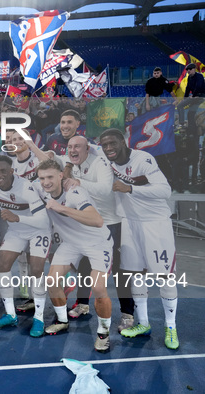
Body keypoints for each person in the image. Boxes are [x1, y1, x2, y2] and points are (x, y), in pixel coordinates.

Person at [99, 128, 180, 350]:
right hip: (129, 223)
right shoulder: (107, 160)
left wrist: (130, 189)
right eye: (104, 145)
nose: (108, 149)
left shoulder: (143, 159)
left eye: (112, 144)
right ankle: (143, 323)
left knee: (165, 277)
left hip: (155, 224)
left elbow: (165, 191)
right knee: (135, 273)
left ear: (123, 142)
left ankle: (170, 327)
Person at [35, 159, 113, 352]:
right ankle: (62, 320)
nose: (46, 182)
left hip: (97, 242)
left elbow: (97, 220)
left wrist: (61, 208)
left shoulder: (75, 192)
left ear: (61, 175)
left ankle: (103, 334)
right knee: (52, 281)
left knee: (98, 287)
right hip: (71, 243)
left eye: (50, 177)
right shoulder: (38, 190)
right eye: (42, 178)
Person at [59, 136, 135, 333]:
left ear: (88, 149)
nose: (73, 150)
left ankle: (127, 313)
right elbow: (49, 160)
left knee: (119, 271)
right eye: (70, 147)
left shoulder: (100, 163)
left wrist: (79, 182)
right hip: (88, 224)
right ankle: (82, 304)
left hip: (111, 224)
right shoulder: (75, 164)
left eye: (77, 147)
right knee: (85, 267)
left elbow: (104, 190)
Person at [0, 156, 51, 337]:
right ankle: (10, 314)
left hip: (39, 230)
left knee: (37, 269)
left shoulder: (26, 188)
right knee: (2, 263)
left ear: (11, 171)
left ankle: (39, 318)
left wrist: (18, 218)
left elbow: (43, 220)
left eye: (3, 171)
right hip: (17, 231)